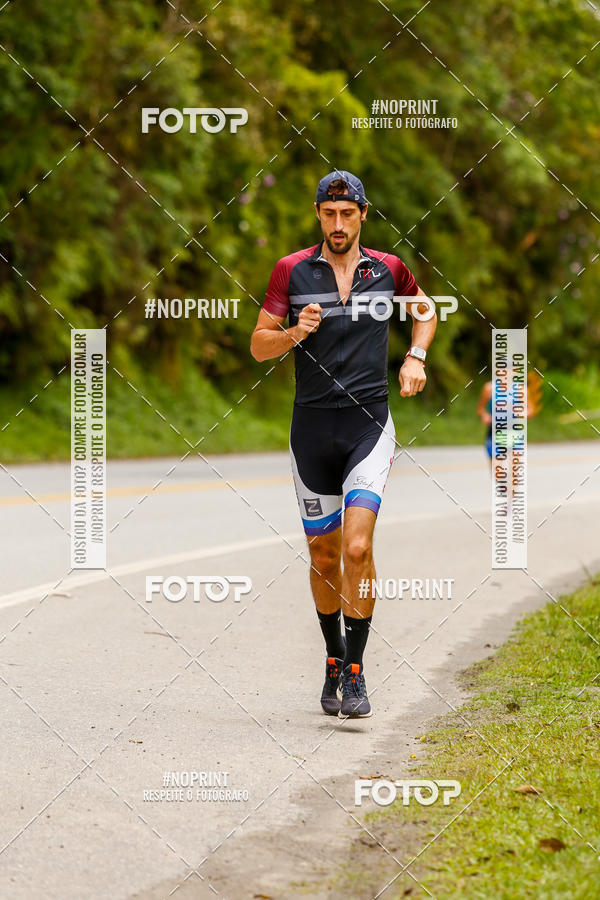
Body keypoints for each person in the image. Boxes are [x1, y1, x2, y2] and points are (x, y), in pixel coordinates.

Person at [250, 171, 437, 718]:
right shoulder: (291, 271)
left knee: (356, 548)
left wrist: (415, 356)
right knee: (323, 554)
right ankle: (333, 658)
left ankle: (355, 672)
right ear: (318, 215)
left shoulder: (389, 269)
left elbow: (424, 310)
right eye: (329, 215)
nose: (338, 224)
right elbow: (259, 346)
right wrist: (292, 333)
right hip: (310, 430)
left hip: (367, 427)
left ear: (362, 213)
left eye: (347, 214)